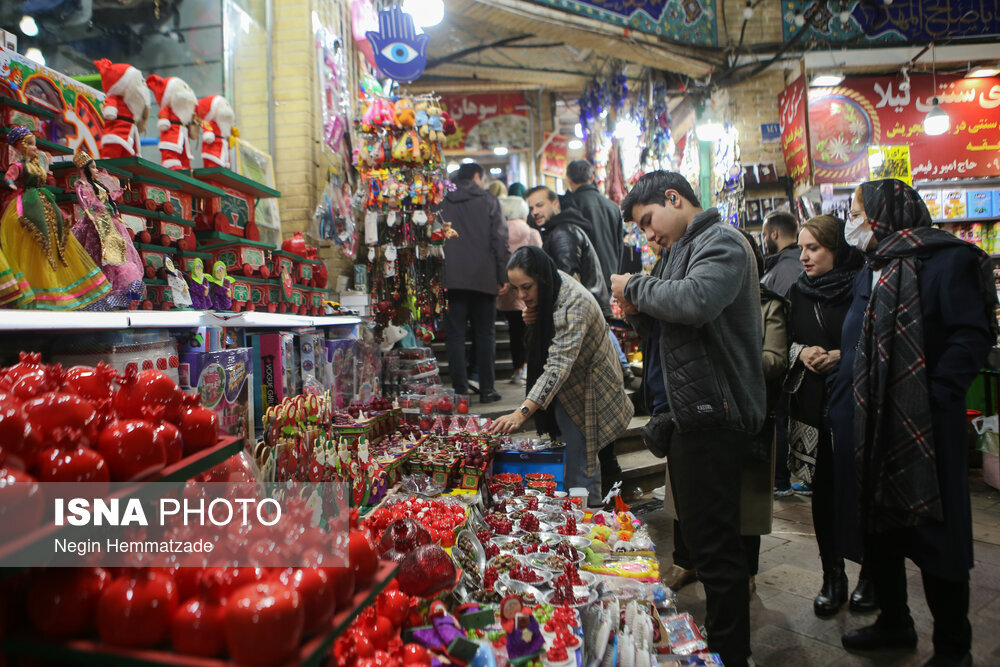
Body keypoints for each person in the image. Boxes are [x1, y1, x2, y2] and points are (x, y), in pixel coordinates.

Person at [830, 179, 995, 667]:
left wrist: (935, 397)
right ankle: (894, 622)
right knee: (881, 529)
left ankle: (953, 649)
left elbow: (970, 337)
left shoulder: (951, 260)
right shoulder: (872, 267)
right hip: (868, 426)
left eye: (857, 211)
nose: (851, 222)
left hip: (922, 428)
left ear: (883, 213)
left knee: (936, 537)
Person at [612, 171, 765, 667]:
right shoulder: (679, 250)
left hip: (715, 416)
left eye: (648, 220)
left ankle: (730, 656)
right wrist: (637, 307)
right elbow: (668, 327)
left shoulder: (723, 242)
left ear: (674, 198)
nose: (648, 234)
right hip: (688, 415)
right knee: (703, 542)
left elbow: (696, 303)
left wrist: (637, 284)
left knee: (717, 551)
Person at [663, 229, 787, 597]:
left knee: (742, 503)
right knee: (685, 500)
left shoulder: (769, 305)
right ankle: (686, 562)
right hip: (696, 412)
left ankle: (742, 572)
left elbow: (775, 359)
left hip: (744, 415)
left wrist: (728, 360)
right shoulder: (699, 297)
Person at [492, 246, 633, 503]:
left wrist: (521, 412)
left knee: (582, 471)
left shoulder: (573, 302)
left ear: (541, 278)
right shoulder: (550, 289)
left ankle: (589, 524)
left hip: (589, 391)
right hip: (566, 390)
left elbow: (558, 366)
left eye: (526, 287)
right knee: (570, 460)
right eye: (516, 289)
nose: (522, 295)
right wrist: (532, 320)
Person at [784, 215, 870, 618]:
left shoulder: (862, 286)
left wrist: (843, 355)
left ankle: (872, 574)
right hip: (814, 408)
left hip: (854, 406)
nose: (803, 256)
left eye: (813, 248)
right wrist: (801, 353)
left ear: (836, 249)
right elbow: (780, 342)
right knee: (823, 493)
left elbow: (873, 338)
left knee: (862, 491)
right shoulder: (797, 292)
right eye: (801, 247)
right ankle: (832, 575)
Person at [1, 126, 111, 310]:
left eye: (34, 144)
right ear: (19, 146)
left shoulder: (37, 165)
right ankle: (34, 287)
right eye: (29, 144)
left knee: (57, 233)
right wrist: (12, 185)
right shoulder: (19, 166)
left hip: (43, 200)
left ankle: (58, 284)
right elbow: (9, 178)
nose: (33, 148)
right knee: (35, 234)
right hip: (26, 201)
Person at [436, 162, 509, 404]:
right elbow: (499, 239)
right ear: (478, 176)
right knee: (485, 334)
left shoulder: (442, 201)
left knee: (455, 336)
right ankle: (487, 389)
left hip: (451, 277)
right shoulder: (489, 200)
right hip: (484, 276)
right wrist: (502, 275)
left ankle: (460, 392)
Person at [564, 160, 635, 385]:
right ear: (592, 177)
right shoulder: (612, 206)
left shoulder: (570, 204)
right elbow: (619, 244)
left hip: (584, 276)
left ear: (569, 179)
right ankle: (619, 369)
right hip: (608, 274)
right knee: (598, 323)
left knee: (596, 325)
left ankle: (622, 368)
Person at [760, 210, 802, 497]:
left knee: (781, 420)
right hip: (801, 358)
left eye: (765, 236)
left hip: (788, 362)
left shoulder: (779, 272)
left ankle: (780, 480)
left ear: (773, 234)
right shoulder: (797, 265)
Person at [72, 149, 145, 310]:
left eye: (96, 167)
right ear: (85, 169)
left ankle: (115, 295)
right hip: (95, 225)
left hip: (109, 223)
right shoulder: (82, 185)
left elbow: (110, 202)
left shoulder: (99, 184)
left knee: (117, 257)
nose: (96, 171)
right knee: (99, 257)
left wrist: (115, 216)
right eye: (92, 168)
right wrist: (98, 215)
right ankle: (99, 294)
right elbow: (86, 205)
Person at [526, 186, 611, 319]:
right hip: (582, 312)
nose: (535, 212)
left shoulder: (562, 233)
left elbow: (567, 280)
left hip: (580, 315)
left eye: (540, 205)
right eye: (531, 208)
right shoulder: (559, 230)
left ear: (555, 204)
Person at [496, 195, 542, 386]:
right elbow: (540, 258)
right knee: (531, 328)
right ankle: (530, 368)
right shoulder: (531, 233)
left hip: (507, 290)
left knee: (514, 331)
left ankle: (517, 369)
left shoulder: (498, 232)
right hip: (530, 289)